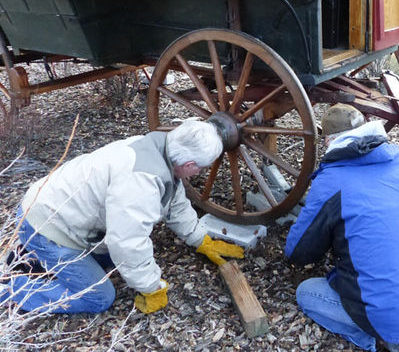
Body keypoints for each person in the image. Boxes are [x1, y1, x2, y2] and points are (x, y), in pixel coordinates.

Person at [285, 104, 399, 352]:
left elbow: (298, 253)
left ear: (328, 140)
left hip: (384, 313)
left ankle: (381, 340)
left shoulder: (332, 181)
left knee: (307, 293)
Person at [2, 120, 244, 314]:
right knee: (99, 298)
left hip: (57, 211)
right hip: (46, 226)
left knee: (113, 260)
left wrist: (200, 239)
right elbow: (127, 242)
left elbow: (174, 201)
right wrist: (151, 288)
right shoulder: (140, 181)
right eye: (199, 167)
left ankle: (33, 258)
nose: (199, 172)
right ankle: (10, 289)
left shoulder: (160, 149)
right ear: (189, 163)